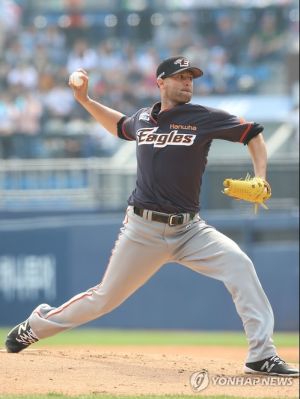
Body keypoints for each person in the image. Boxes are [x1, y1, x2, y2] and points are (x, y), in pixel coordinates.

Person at [5, 56, 299, 377]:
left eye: (191, 77)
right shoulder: (144, 118)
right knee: (104, 299)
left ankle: (261, 355)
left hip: (190, 231)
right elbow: (120, 126)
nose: (188, 82)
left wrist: (261, 175)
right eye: (180, 77)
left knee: (240, 265)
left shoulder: (203, 117)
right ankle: (36, 325)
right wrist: (85, 100)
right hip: (143, 230)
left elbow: (253, 133)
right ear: (161, 82)